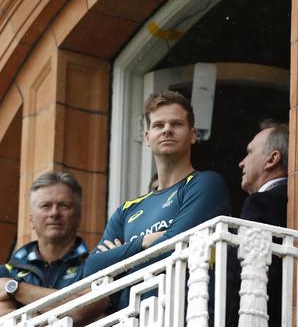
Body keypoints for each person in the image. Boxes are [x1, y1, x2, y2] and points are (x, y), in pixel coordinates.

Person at [82, 91, 230, 309]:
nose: (167, 130)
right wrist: (142, 243)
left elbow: (172, 249)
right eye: (159, 125)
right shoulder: (128, 209)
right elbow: (92, 268)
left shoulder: (206, 184)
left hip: (187, 315)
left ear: (193, 134)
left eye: (176, 124)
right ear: (147, 137)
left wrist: (118, 260)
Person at [0, 171, 92, 322]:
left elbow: (82, 310)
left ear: (79, 216)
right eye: (45, 206)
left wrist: (15, 289)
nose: (54, 213)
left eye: (64, 205)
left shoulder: (94, 265)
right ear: (31, 218)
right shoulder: (6, 273)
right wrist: (65, 310)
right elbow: (1, 322)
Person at [227, 119, 288, 327]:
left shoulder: (259, 202)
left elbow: (241, 271)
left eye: (250, 152)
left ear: (272, 159)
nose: (241, 162)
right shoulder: (296, 201)